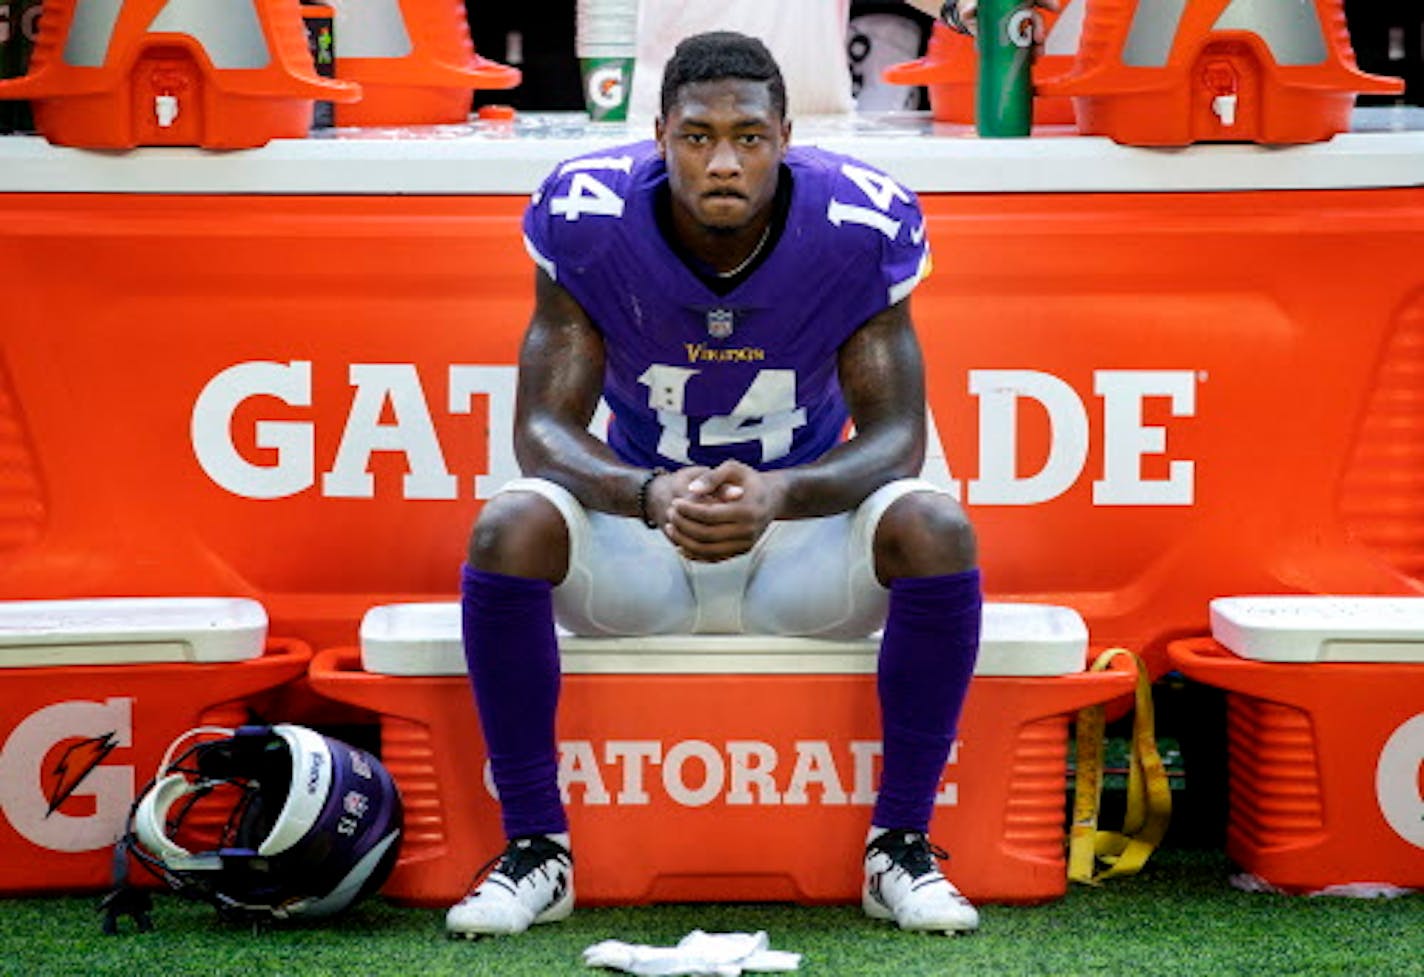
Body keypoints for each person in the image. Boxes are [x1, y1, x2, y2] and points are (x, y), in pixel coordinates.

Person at [447, 30, 983, 938]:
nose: (724, 160)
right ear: (659, 135)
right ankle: (536, 845)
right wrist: (649, 494)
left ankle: (902, 842)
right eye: (697, 137)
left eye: (749, 136)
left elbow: (897, 440)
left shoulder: (858, 225)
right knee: (510, 526)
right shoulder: (591, 213)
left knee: (934, 524)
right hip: (644, 541)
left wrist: (781, 495)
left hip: (797, 548)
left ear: (786, 134)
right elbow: (541, 431)